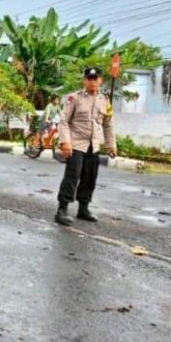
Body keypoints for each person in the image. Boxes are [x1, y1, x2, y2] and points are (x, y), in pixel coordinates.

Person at [55, 67, 117, 226]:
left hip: (94, 145)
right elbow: (64, 120)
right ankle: (62, 209)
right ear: (85, 80)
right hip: (76, 143)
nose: (93, 81)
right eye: (90, 78)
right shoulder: (74, 98)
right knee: (72, 176)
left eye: (96, 78)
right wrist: (65, 142)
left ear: (100, 80)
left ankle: (83, 208)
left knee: (90, 177)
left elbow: (108, 124)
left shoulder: (105, 100)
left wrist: (111, 145)